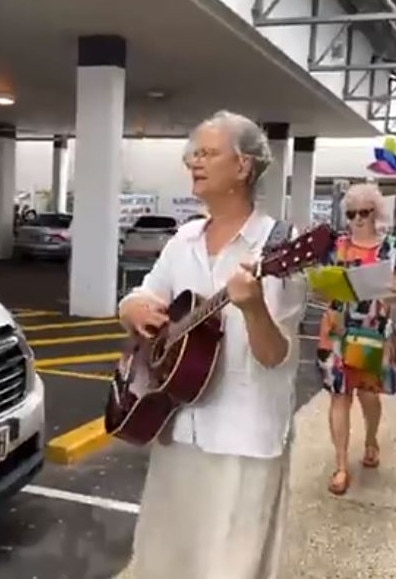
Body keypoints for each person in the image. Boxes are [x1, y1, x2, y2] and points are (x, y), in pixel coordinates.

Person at [118, 111, 307, 579]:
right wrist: (133, 308)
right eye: (192, 154)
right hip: (176, 428)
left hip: (243, 440)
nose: (194, 162)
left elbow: (275, 357)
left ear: (242, 167)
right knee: (164, 561)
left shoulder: (280, 246)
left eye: (206, 153)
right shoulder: (183, 238)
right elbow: (142, 296)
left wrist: (254, 308)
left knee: (227, 568)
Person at [317, 183, 396, 496]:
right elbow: (323, 285)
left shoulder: (390, 247)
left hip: (371, 331)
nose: (357, 219)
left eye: (364, 212)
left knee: (368, 395)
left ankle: (370, 439)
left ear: (375, 212)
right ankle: (341, 465)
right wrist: (324, 285)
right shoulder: (335, 247)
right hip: (337, 330)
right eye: (351, 213)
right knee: (339, 396)